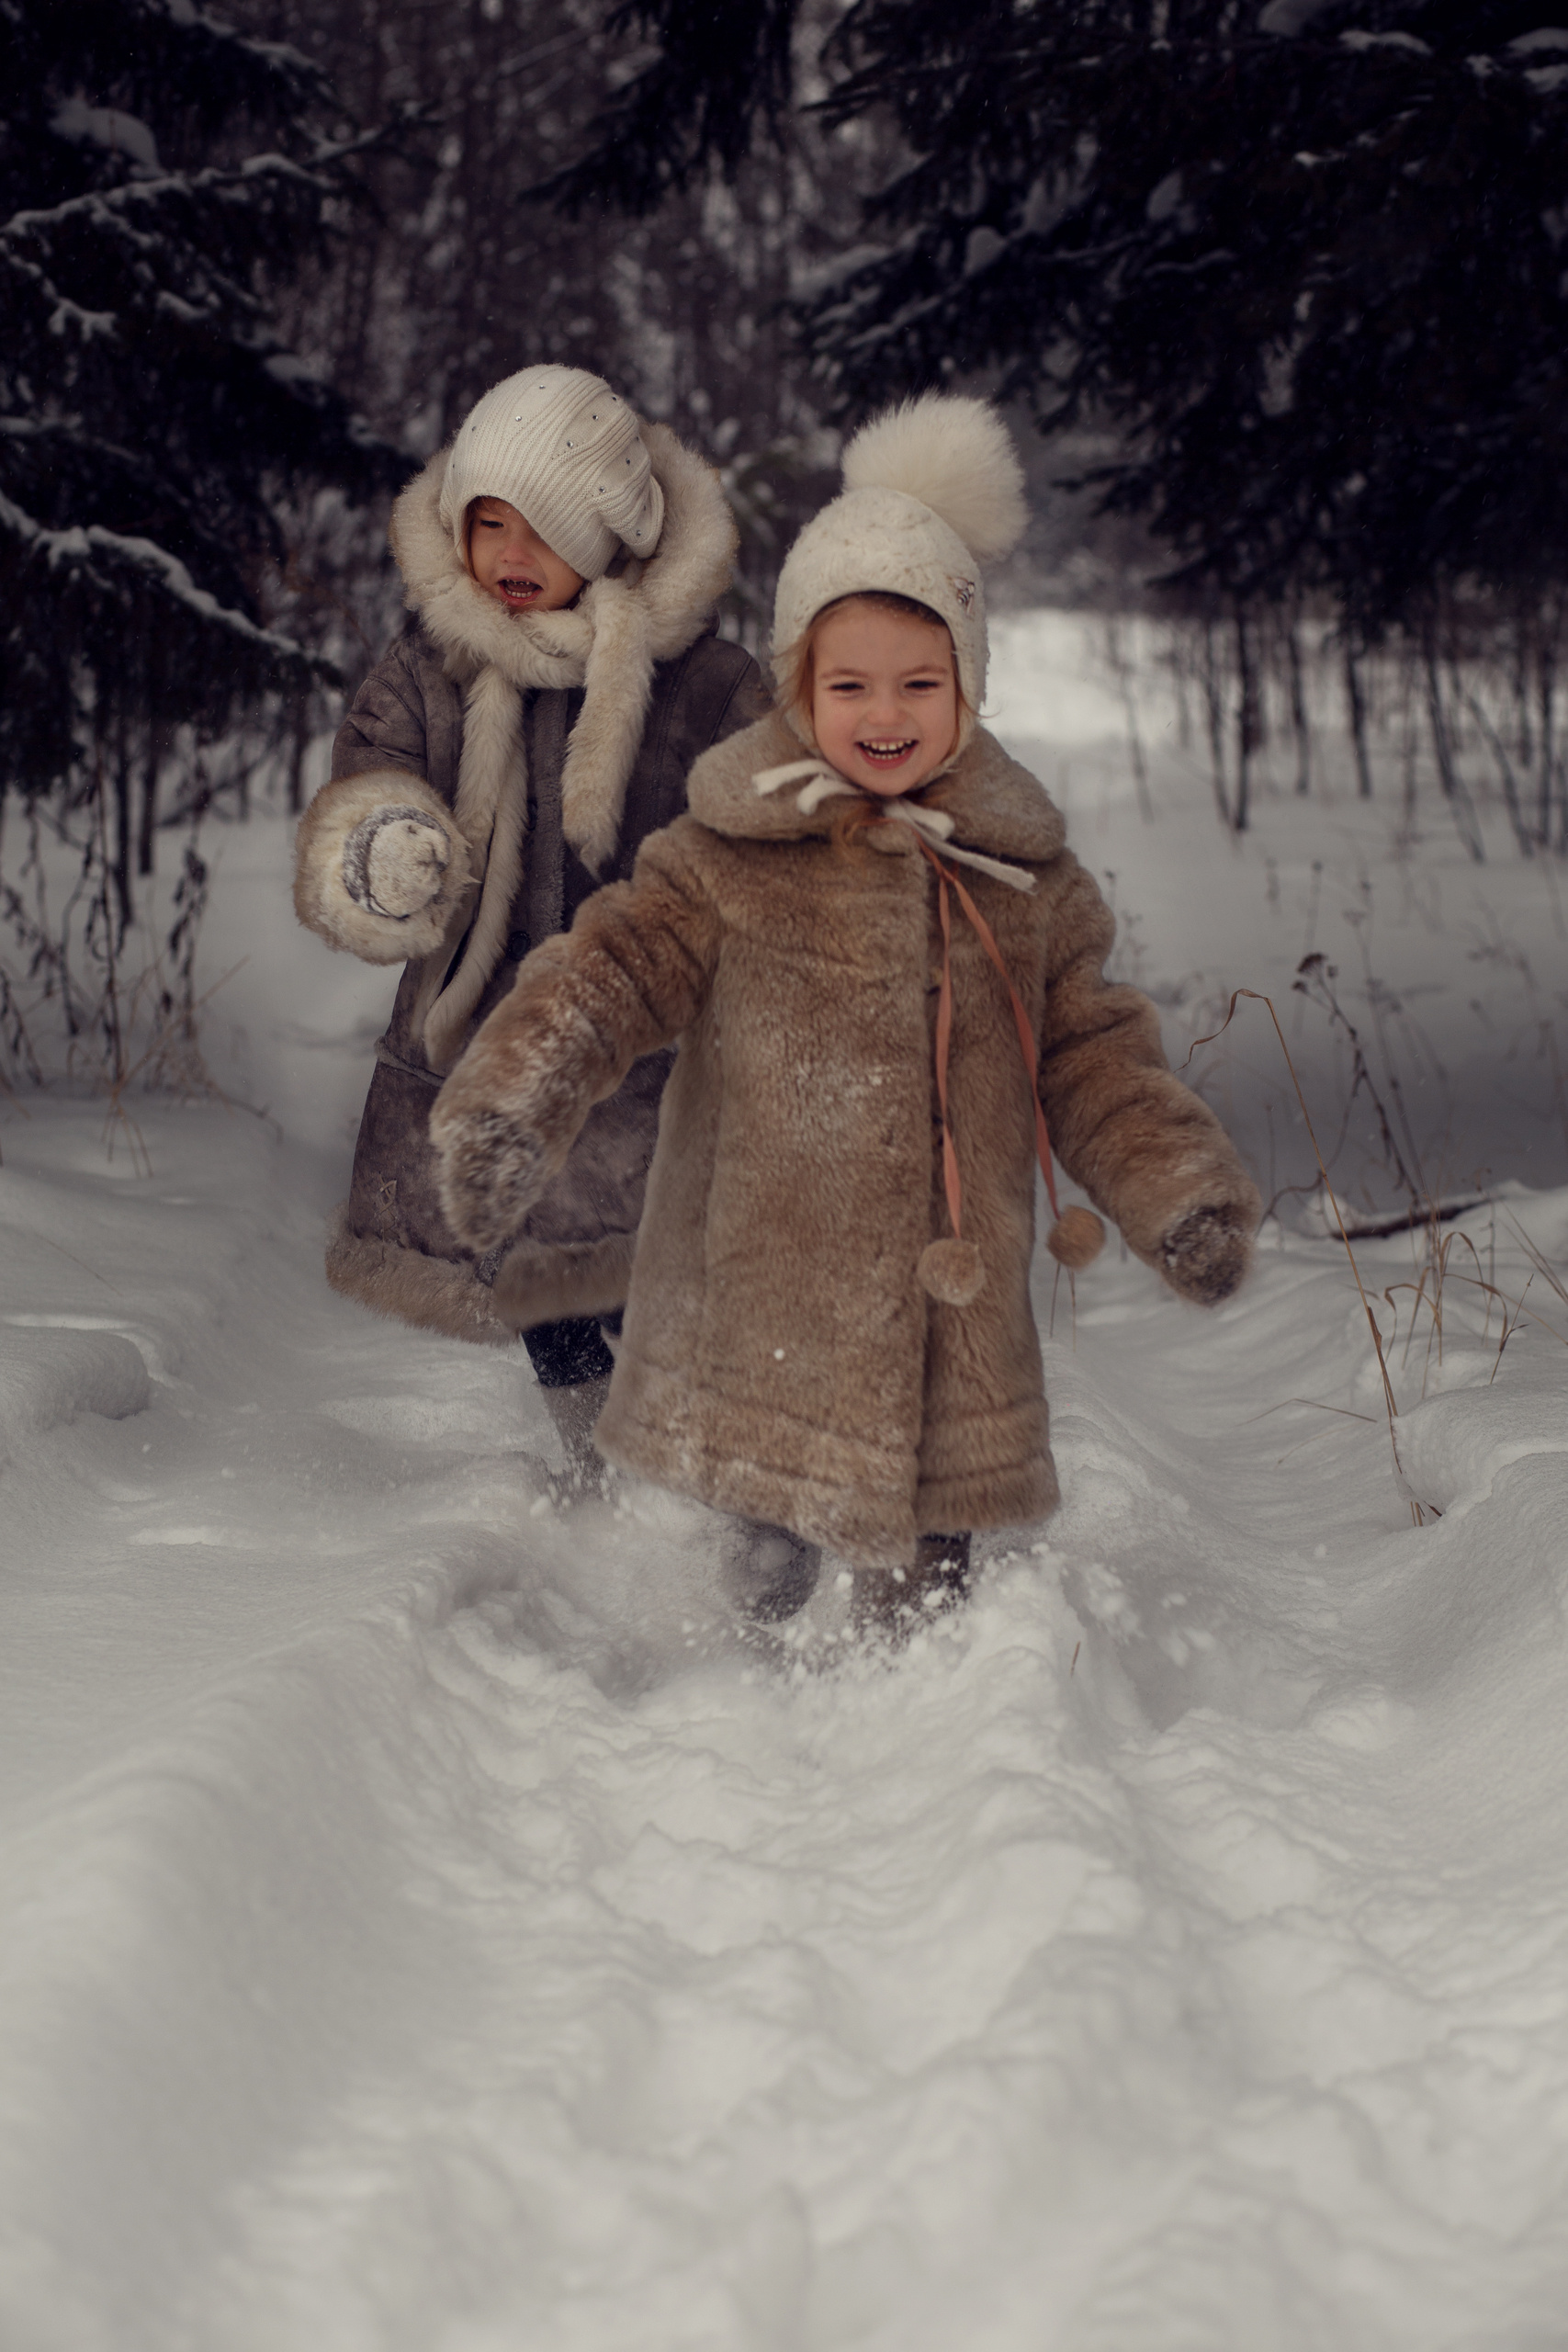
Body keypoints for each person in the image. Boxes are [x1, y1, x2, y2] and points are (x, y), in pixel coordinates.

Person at [425, 394, 1261, 1635]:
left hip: (946, 1309)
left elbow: (1089, 1050)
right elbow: (605, 977)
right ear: (795, 687)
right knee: (765, 1572)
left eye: (919, 683)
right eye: (849, 683)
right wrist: (515, 1100)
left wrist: (1169, 1185)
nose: (883, 715)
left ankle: (920, 1735)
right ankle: (749, 1701)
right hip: (764, 1292)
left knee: (926, 1585)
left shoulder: (1019, 880)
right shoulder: (726, 854)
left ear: (967, 688)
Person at [292, 365, 768, 1483]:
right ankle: (593, 1461)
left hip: (640, 1045)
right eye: (486, 522)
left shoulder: (698, 679)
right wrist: (382, 846)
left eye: (541, 530)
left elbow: (772, 790)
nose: (507, 553)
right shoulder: (430, 667)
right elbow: (367, 773)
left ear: (605, 538)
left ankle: (688, 1469)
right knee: (534, 1272)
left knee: (649, 1259)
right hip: (484, 1040)